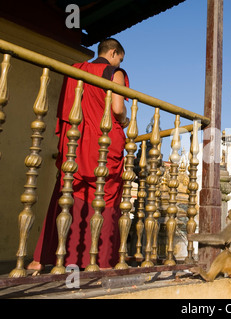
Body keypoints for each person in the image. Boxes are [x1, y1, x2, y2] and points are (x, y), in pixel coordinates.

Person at [28, 38, 130, 270]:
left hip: (75, 141)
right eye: (120, 58)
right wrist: (125, 120)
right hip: (102, 145)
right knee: (104, 195)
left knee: (66, 191)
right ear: (113, 53)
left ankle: (42, 259)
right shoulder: (115, 73)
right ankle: (98, 261)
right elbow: (117, 108)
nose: (119, 62)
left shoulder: (75, 70)